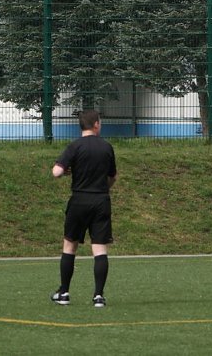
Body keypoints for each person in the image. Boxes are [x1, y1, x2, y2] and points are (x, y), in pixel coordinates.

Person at [50, 109, 117, 308]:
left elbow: (56, 172)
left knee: (70, 247)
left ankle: (64, 293)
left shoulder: (74, 146)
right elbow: (112, 176)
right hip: (101, 201)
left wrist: (68, 170)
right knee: (100, 249)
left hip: (79, 201)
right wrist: (104, 187)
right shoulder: (107, 147)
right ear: (95, 124)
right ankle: (98, 296)